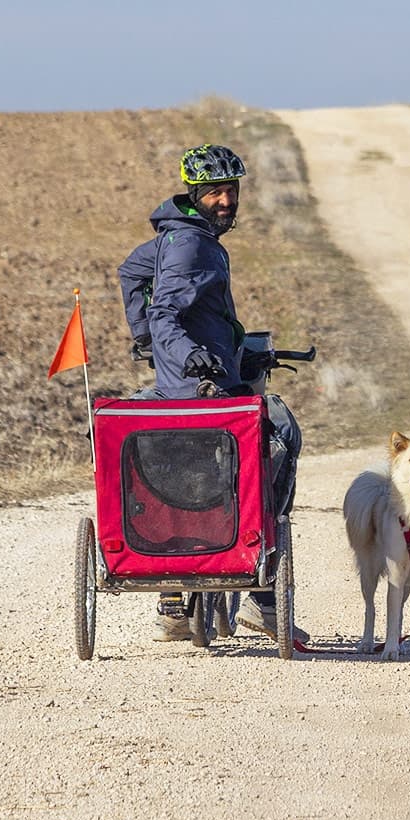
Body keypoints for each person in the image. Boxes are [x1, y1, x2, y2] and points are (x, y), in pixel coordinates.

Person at [117, 143, 305, 644]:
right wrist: (183, 351)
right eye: (216, 192)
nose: (226, 200)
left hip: (173, 388)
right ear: (195, 194)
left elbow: (131, 273)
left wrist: (145, 340)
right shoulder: (193, 246)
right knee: (279, 436)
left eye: (232, 190)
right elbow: (167, 314)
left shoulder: (174, 235)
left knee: (168, 468)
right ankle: (264, 601)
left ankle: (173, 598)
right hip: (204, 387)